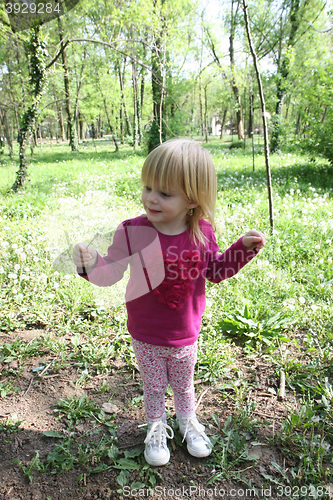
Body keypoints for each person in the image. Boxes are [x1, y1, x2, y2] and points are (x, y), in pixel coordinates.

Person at [72, 139, 265, 467]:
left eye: (164, 193)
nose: (151, 198)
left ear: (192, 199)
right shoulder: (132, 231)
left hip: (185, 332)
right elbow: (112, 273)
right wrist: (91, 264)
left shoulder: (201, 232)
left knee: (184, 383)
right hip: (146, 332)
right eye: (148, 187)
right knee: (154, 385)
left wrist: (242, 248)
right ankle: (157, 425)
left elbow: (216, 271)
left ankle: (187, 420)